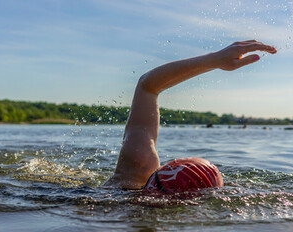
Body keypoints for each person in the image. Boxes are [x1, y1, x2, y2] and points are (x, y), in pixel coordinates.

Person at [103, 40, 277, 193]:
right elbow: (147, 87)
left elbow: (147, 86)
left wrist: (215, 59)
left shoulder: (134, 173)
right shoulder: (134, 176)